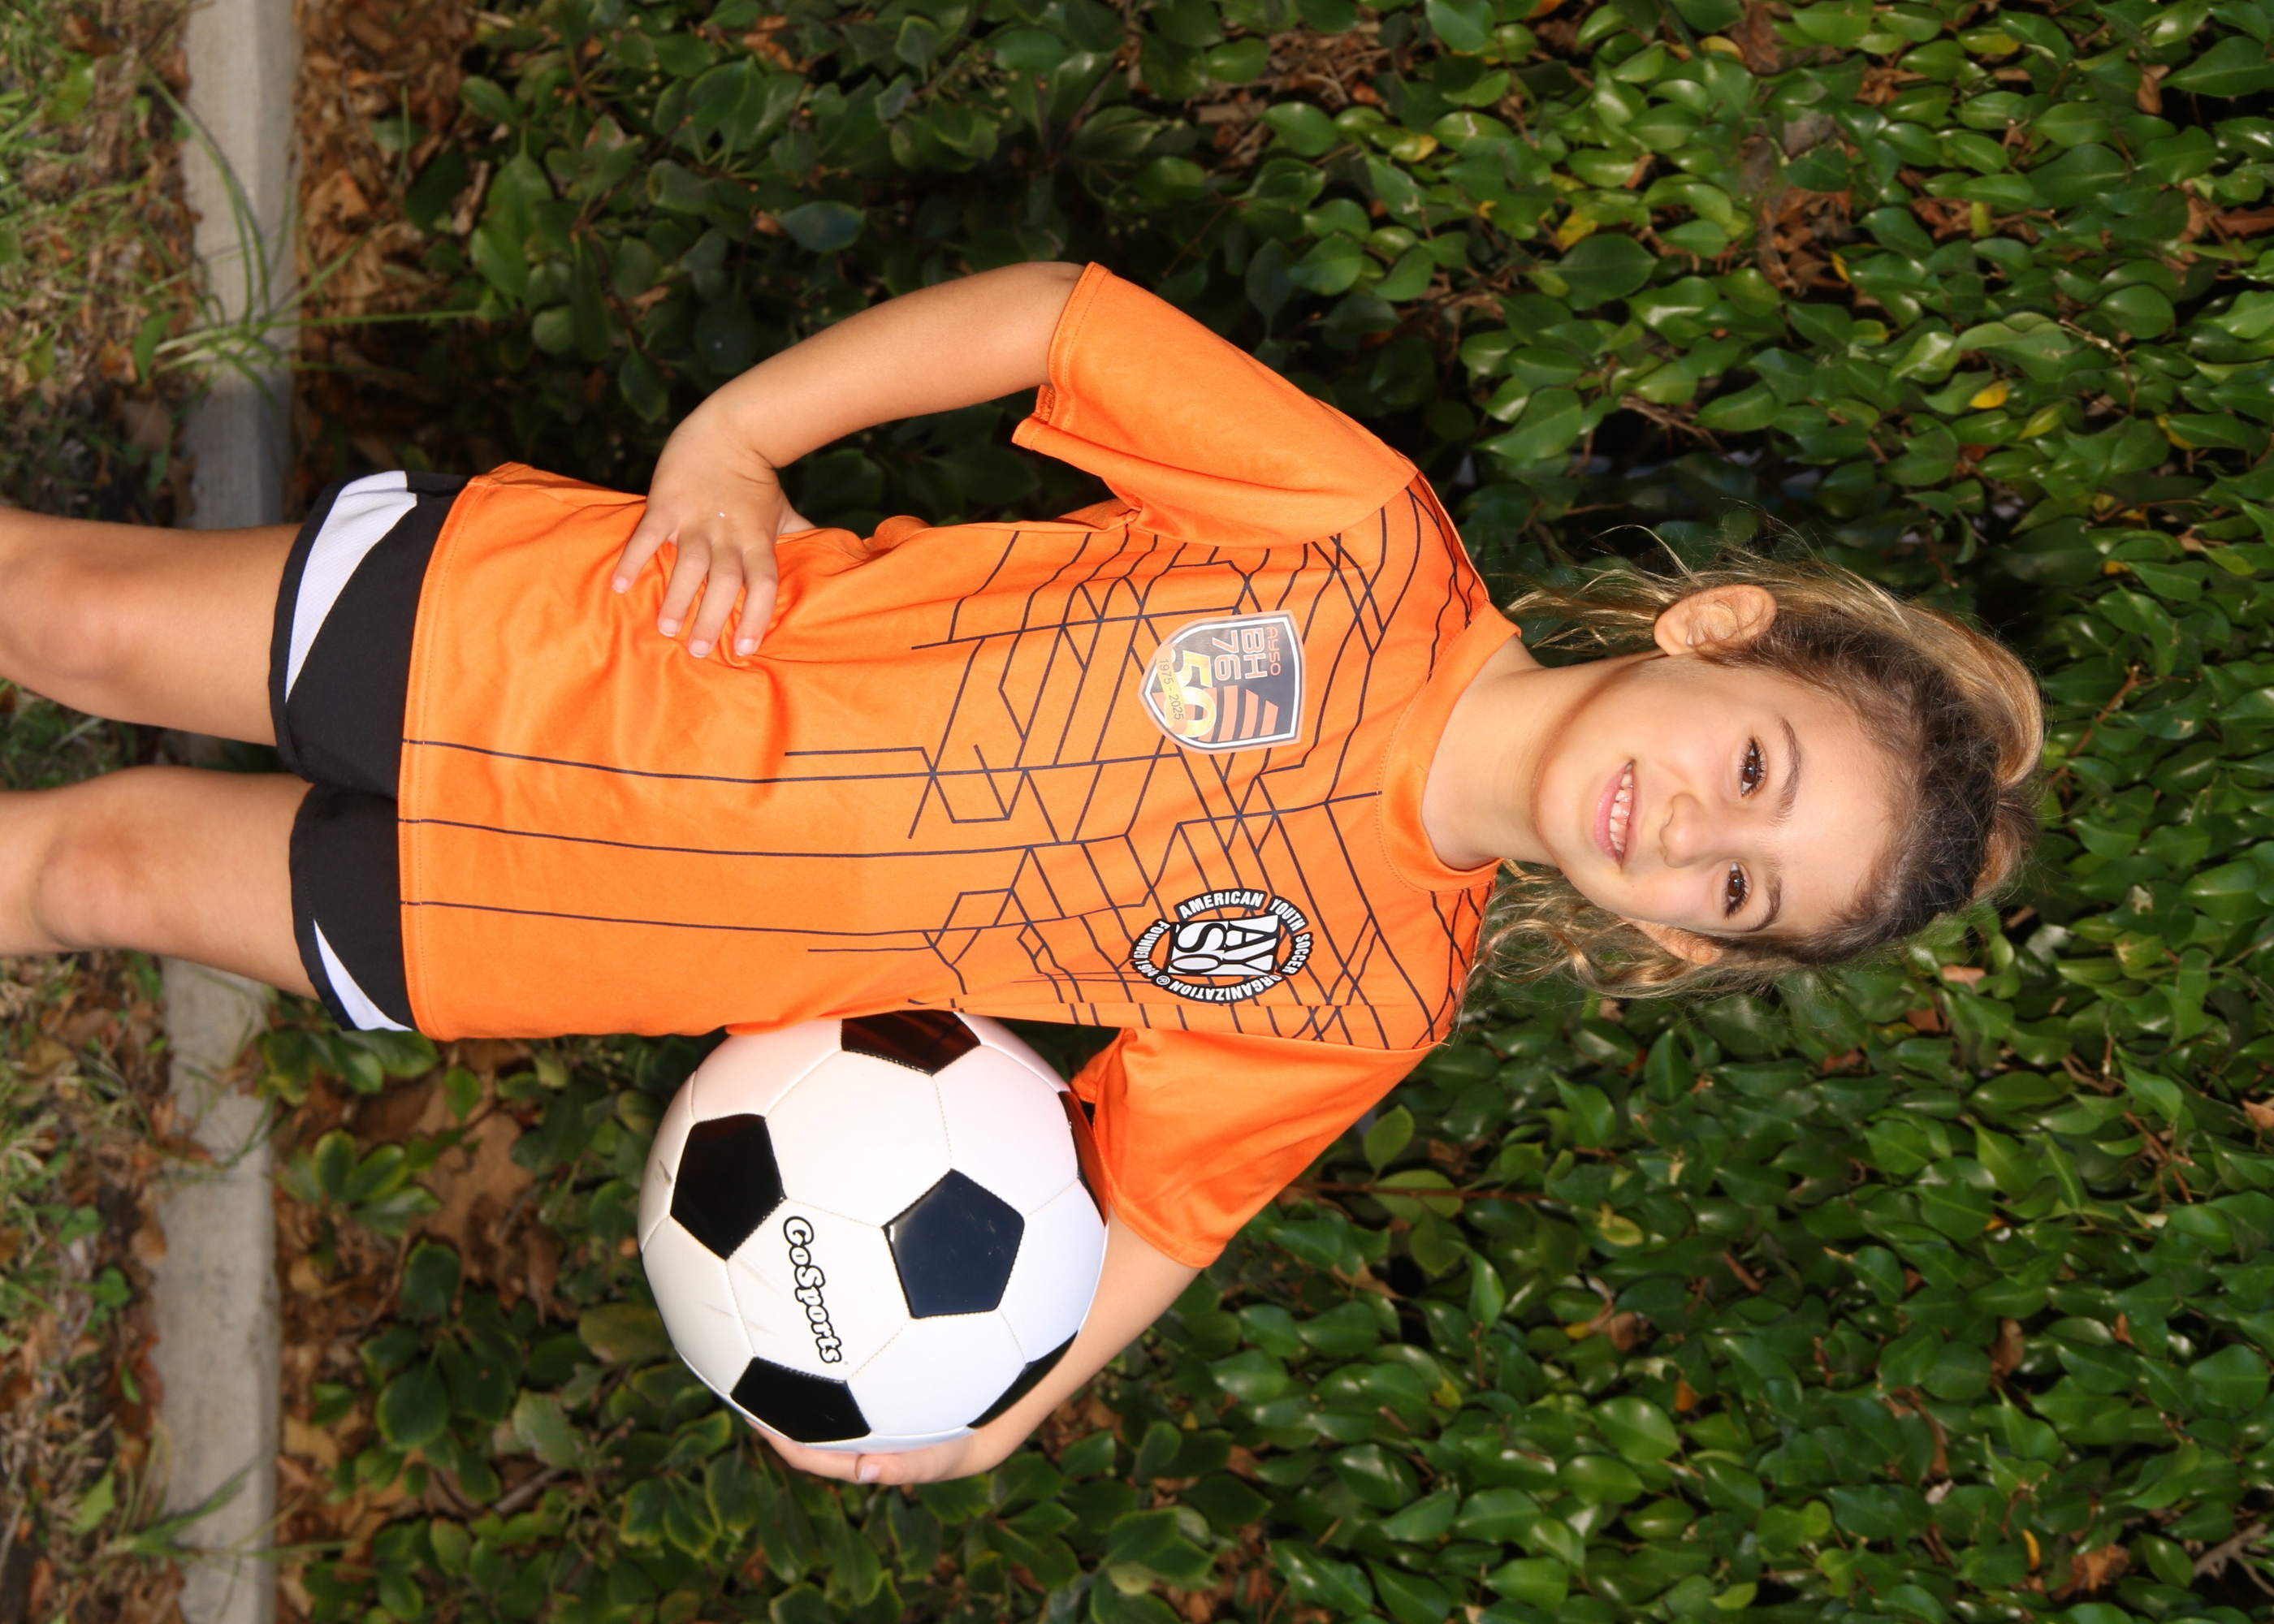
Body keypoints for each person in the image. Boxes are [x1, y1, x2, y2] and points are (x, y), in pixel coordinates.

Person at [0, 261, 2040, 1485]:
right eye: (1753, 767)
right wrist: (734, 437)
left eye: (1740, 888)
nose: (1691, 830)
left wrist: (991, 1414)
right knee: (66, 615)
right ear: (1714, 629)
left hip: (543, 933)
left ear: (1679, 945)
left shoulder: (1365, 1000)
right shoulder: (1357, 536)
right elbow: (1050, 319)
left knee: (90, 875)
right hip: (578, 637)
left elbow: (1152, 1214)